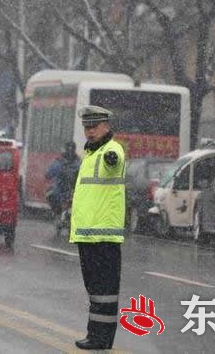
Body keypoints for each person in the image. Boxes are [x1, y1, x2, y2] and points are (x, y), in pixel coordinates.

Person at [69, 105, 125, 350]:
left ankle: (102, 339)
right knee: (95, 291)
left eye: (94, 127)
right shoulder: (90, 154)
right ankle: (95, 336)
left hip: (104, 236)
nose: (90, 132)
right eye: (87, 127)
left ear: (106, 127)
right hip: (88, 235)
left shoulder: (110, 150)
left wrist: (111, 160)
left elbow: (115, 162)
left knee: (105, 291)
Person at [45, 141, 80, 219]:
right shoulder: (79, 162)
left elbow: (48, 174)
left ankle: (56, 213)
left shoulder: (59, 161)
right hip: (74, 191)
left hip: (60, 191)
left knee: (49, 194)